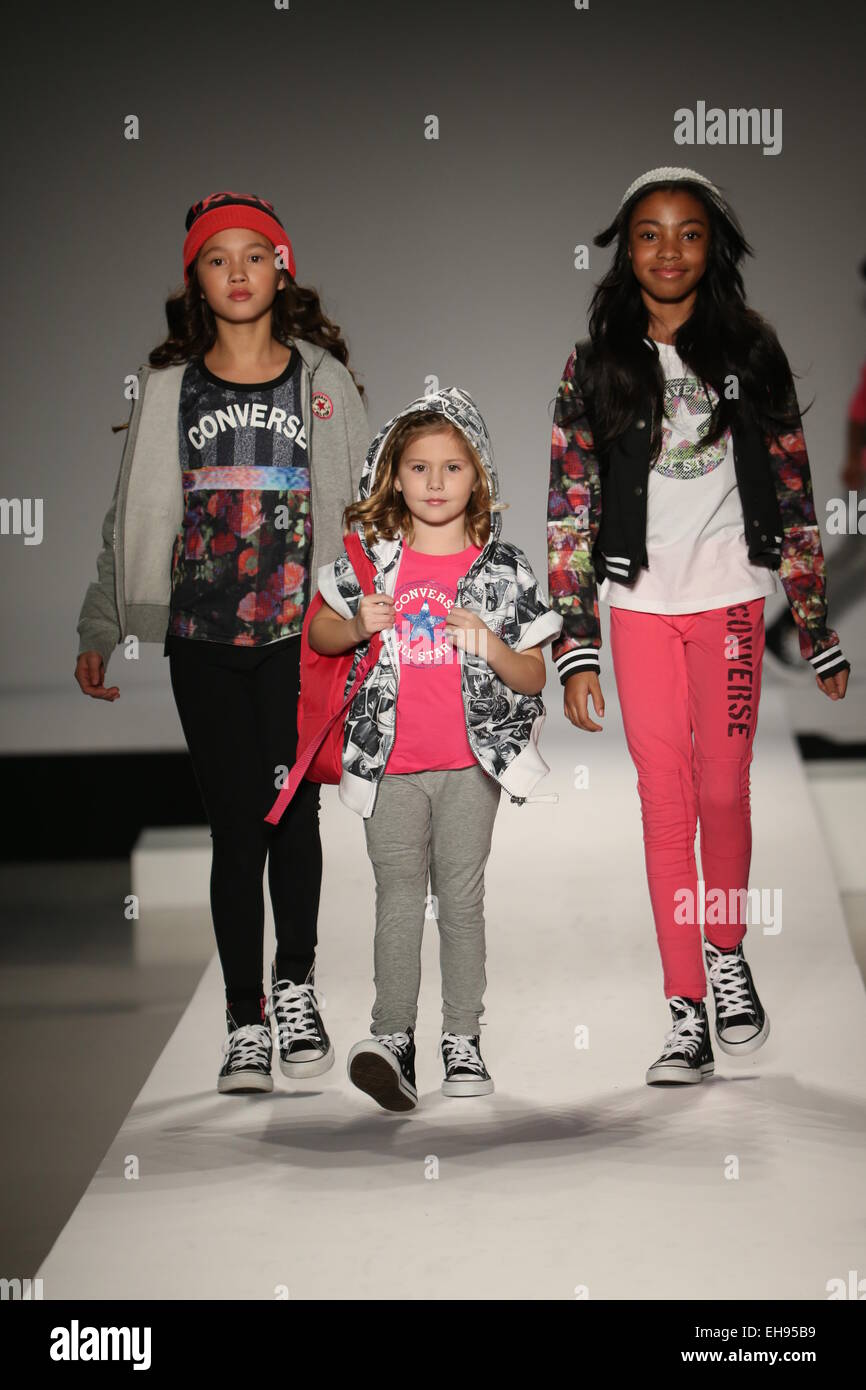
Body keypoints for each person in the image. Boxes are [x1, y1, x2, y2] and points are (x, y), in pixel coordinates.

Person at [547, 166, 851, 1086]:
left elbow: (793, 490)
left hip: (726, 599)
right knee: (663, 801)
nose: (668, 249)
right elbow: (571, 505)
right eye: (648, 232)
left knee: (723, 789)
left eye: (687, 232)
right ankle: (685, 1010)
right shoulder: (594, 364)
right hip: (635, 603)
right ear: (624, 247)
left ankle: (727, 951)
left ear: (711, 245)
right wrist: (574, 641)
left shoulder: (752, 352)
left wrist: (812, 619)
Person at [75, 191, 370, 1094]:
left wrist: (373, 620)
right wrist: (102, 615)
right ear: (196, 280)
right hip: (202, 635)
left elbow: (365, 509)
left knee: (294, 817)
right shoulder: (169, 388)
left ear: (281, 266)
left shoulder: (322, 381)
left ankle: (296, 990)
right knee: (236, 826)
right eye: (216, 258)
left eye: (254, 255)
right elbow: (131, 515)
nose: (237, 272)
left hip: (302, 635)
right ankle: (246, 1019)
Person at [310, 387, 562, 1110]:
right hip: (387, 766)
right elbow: (322, 637)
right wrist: (357, 623)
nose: (435, 484)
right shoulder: (372, 563)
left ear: (478, 476)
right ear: (394, 477)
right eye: (418, 468)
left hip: (467, 768)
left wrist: (488, 640)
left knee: (460, 901)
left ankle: (462, 1039)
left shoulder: (502, 570)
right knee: (396, 899)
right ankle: (392, 1039)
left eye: (452, 468)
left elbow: (532, 674)